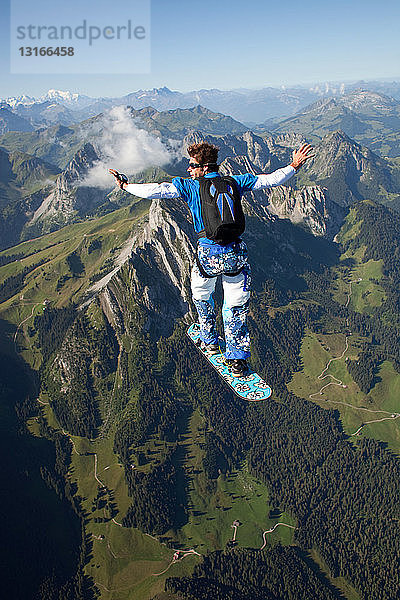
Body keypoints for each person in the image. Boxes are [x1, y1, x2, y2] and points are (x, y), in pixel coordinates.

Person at [109, 141, 313, 377]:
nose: (188, 169)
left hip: (208, 256)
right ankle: (237, 361)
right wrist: (294, 166)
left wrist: (125, 186)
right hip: (237, 255)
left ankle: (209, 340)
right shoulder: (235, 182)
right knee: (235, 305)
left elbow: (157, 190)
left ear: (204, 167)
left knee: (201, 294)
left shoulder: (191, 187)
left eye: (192, 165)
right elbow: (270, 179)